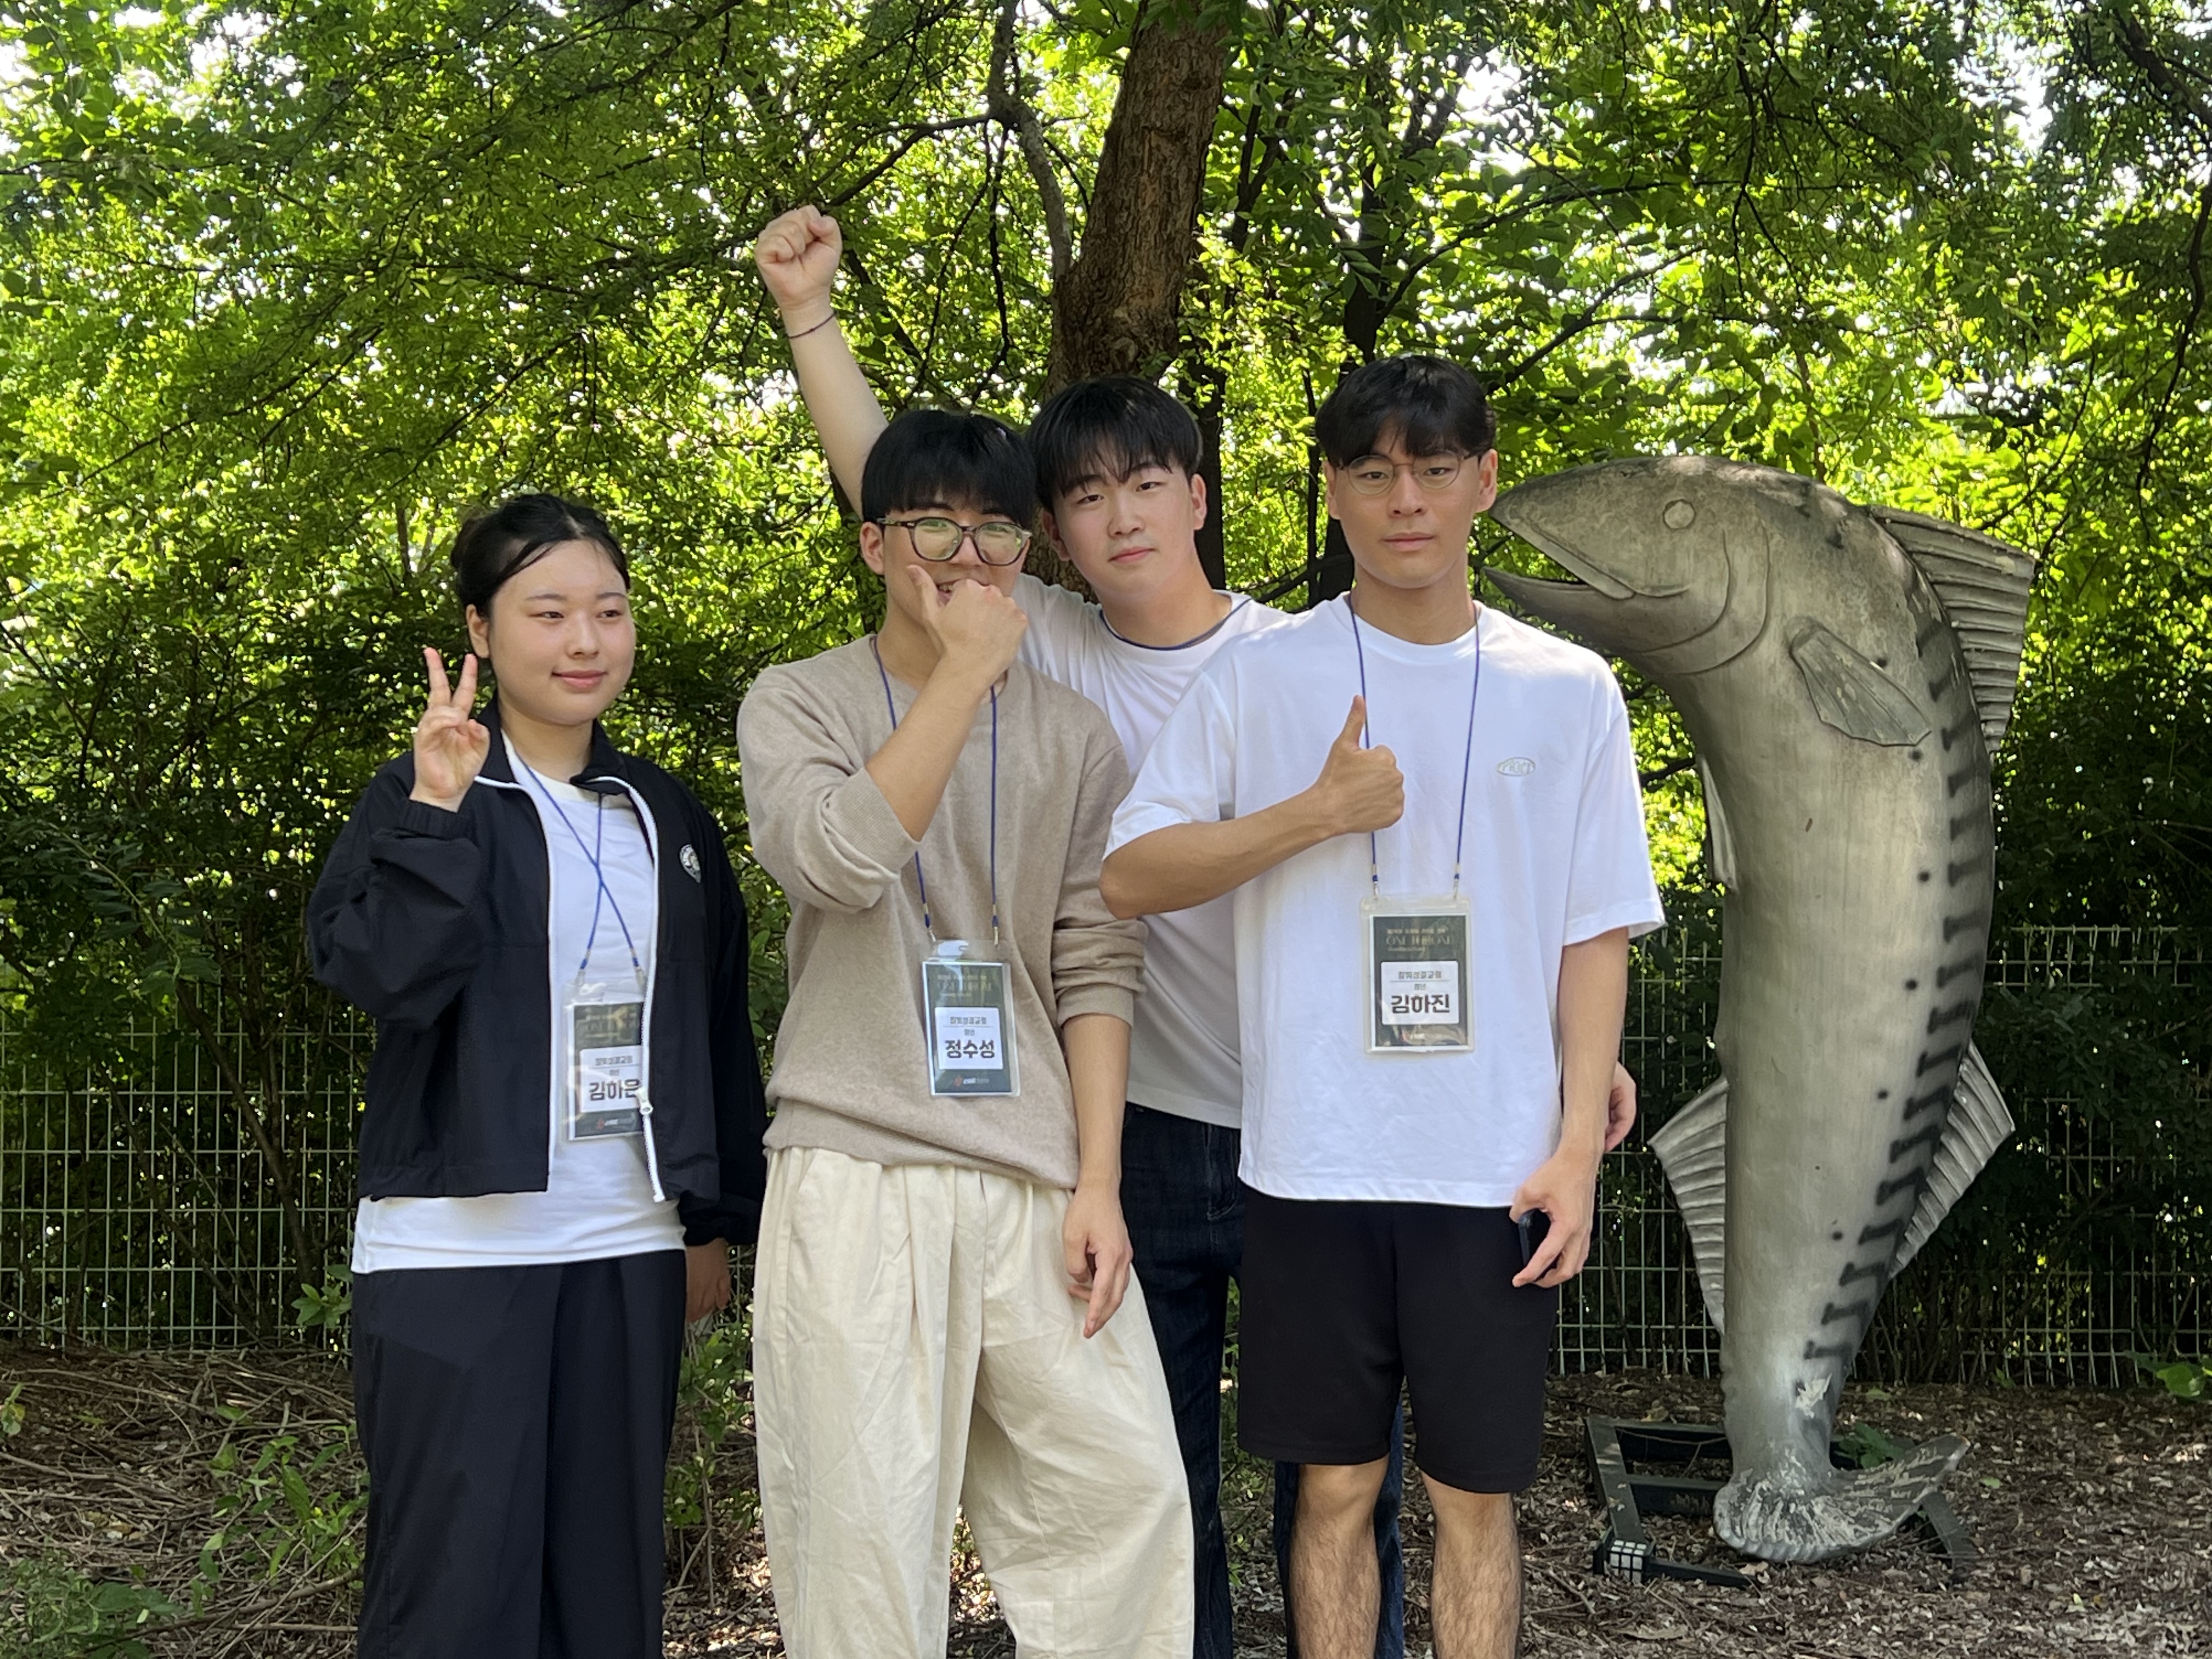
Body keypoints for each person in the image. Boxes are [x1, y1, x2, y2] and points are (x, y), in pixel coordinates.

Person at [754, 205, 1639, 1659]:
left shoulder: (1289, 655)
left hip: (1336, 1123)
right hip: (1151, 1125)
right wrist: (811, 319)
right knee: (1155, 1476)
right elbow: (913, 509)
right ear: (1049, 536)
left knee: (1346, 1482)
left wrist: (1564, 1063)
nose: (1120, 520)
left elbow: (1543, 889)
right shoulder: (1041, 643)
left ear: (1201, 496)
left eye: (1148, 486)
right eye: (1083, 499)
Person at [1102, 354, 1666, 1659]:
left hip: (1493, 1168)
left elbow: (1595, 931)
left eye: (1434, 468)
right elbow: (1132, 874)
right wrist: (1314, 813)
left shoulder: (1568, 686)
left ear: (1485, 480)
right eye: (1372, 471)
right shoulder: (1259, 676)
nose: (1404, 499)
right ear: (1333, 489)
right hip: (1312, 1162)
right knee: (1335, 1491)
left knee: (1476, 1500)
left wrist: (1576, 1152)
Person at [735, 405, 1192, 1657]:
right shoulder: (799, 701)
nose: (967, 556)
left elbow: (1096, 960)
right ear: (875, 542)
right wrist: (960, 679)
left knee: (1125, 1500)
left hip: (1035, 1176)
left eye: (996, 532)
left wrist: (1099, 1181)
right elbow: (836, 862)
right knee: (866, 1539)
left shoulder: (1072, 734)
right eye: (933, 527)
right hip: (856, 1163)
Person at [307, 494, 768, 1659]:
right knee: (453, 1597)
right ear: (481, 629)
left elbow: (714, 1022)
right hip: (453, 1250)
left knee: (604, 1594)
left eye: (608, 611)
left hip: (626, 1241)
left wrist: (707, 1220)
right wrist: (436, 811)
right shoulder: (426, 791)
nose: (584, 641)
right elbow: (382, 975)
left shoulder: (666, 813)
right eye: (548, 612)